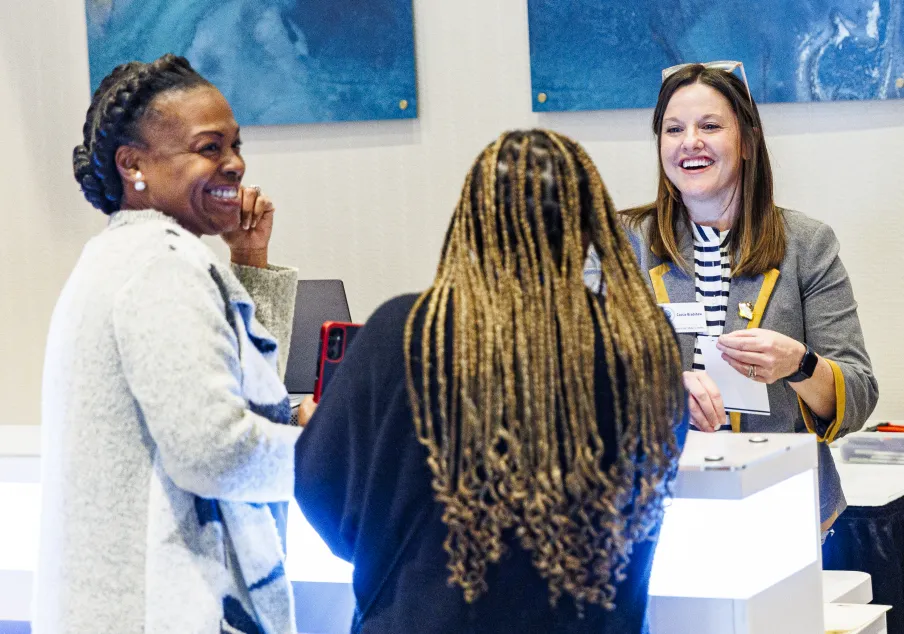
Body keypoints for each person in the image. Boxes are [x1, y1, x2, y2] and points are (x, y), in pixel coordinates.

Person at [294, 130, 687, 633]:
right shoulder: (642, 344)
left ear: (470, 225)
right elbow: (650, 483)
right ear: (588, 230)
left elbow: (321, 490)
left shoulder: (406, 330)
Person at [35, 54, 306, 634]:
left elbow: (234, 385)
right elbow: (214, 451)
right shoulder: (162, 266)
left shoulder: (126, 255)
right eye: (210, 148)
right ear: (133, 165)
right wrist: (329, 455)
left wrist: (250, 260)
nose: (234, 164)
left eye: (236, 146)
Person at [586, 62, 878, 533]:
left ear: (747, 140)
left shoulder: (806, 243)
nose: (689, 142)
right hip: (651, 513)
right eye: (673, 128)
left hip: (783, 512)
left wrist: (800, 364)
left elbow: (859, 396)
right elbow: (569, 372)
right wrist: (658, 392)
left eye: (710, 126)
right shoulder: (620, 242)